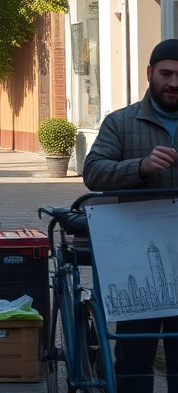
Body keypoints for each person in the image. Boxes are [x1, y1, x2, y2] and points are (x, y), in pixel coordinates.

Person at [83, 38, 178, 393]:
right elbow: (93, 171)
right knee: (135, 353)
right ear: (151, 73)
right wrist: (139, 166)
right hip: (136, 256)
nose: (173, 83)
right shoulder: (121, 123)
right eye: (166, 74)